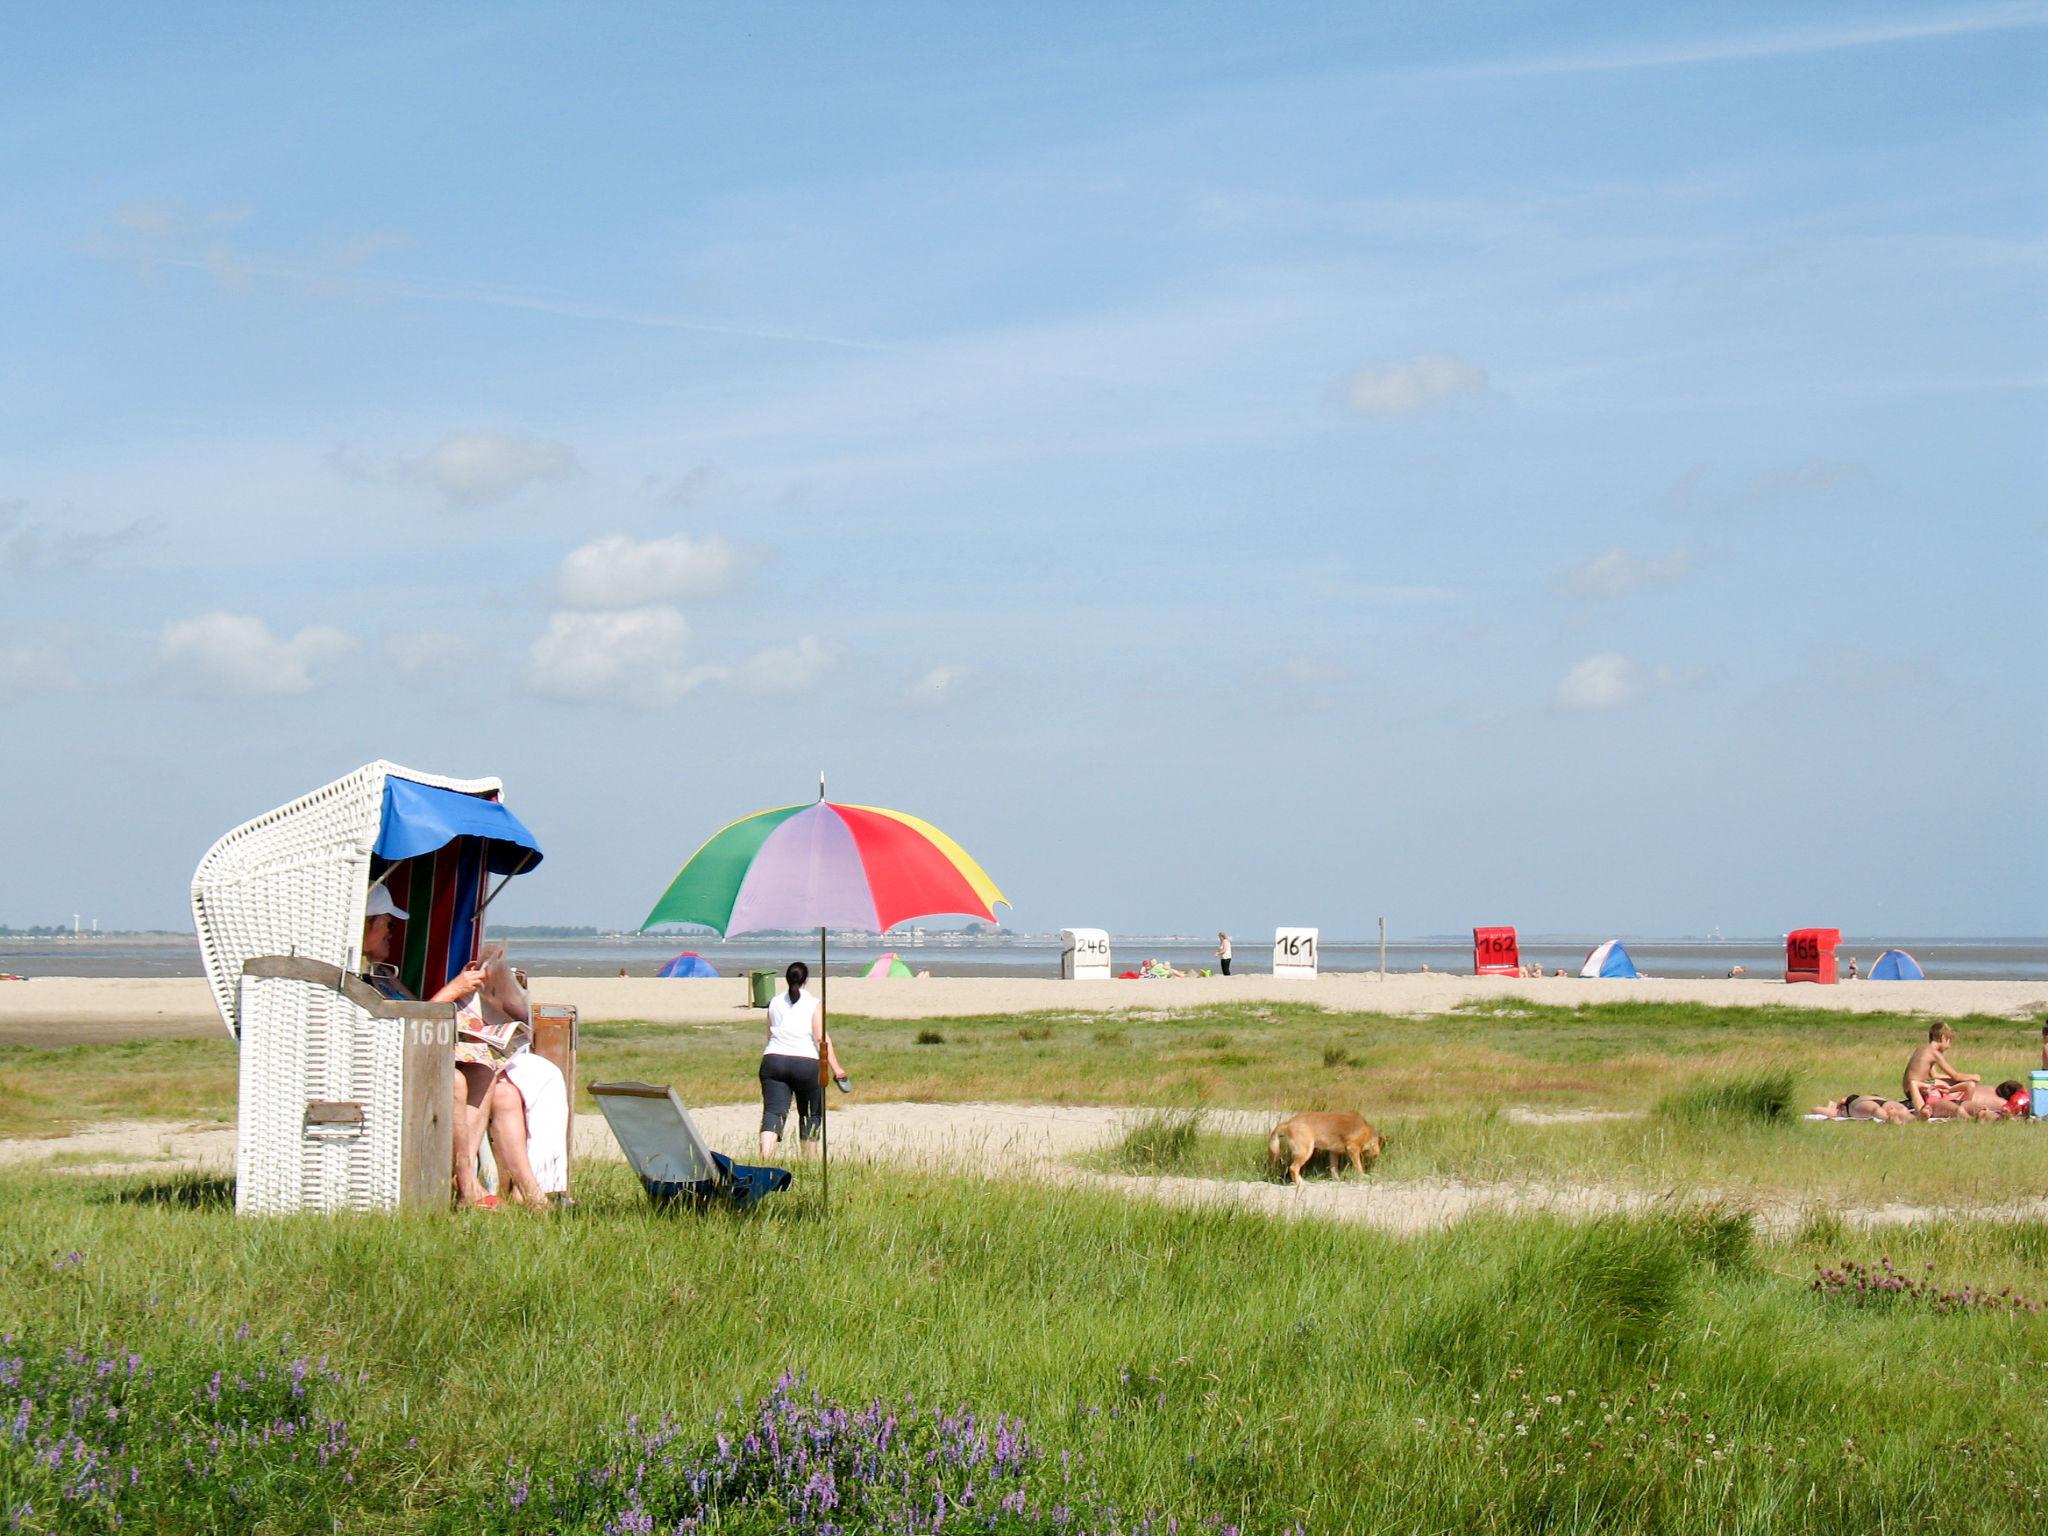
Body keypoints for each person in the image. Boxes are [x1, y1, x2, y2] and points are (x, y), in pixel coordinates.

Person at [360, 885, 529, 1209]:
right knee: (454, 1080)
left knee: (483, 1069)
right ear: (367, 925)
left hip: (397, 1054)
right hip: (379, 1063)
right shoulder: (357, 975)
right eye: (388, 924)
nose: (392, 934)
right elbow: (406, 1027)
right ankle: (466, 1180)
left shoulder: (380, 974)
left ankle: (462, 1177)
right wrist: (453, 991)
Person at [761, 960, 827, 1158]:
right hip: (806, 1062)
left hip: (773, 1060)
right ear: (806, 980)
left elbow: (769, 1035)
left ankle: (764, 1158)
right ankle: (809, 1160)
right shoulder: (813, 1003)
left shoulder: (774, 1001)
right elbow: (820, 1038)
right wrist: (837, 1069)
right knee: (810, 1114)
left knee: (773, 1112)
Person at [1902, 1021, 1978, 1112]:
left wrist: (1950, 1079)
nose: (1949, 1047)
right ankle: (1963, 1105)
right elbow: (1956, 1076)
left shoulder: (1922, 1049)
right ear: (1943, 1038)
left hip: (1909, 1088)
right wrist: (1973, 1076)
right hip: (1917, 1088)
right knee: (1953, 1084)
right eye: (1949, 1041)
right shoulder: (1934, 1053)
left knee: (1948, 1082)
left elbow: (1934, 1075)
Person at [1810, 1093, 1912, 1123]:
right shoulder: (1842, 1110)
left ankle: (1889, 1118)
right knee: (1904, 1111)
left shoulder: (1842, 1111)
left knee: (1875, 1110)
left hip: (1858, 1104)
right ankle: (1915, 1118)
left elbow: (1815, 1109)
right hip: (1882, 1100)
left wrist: (1815, 1109)